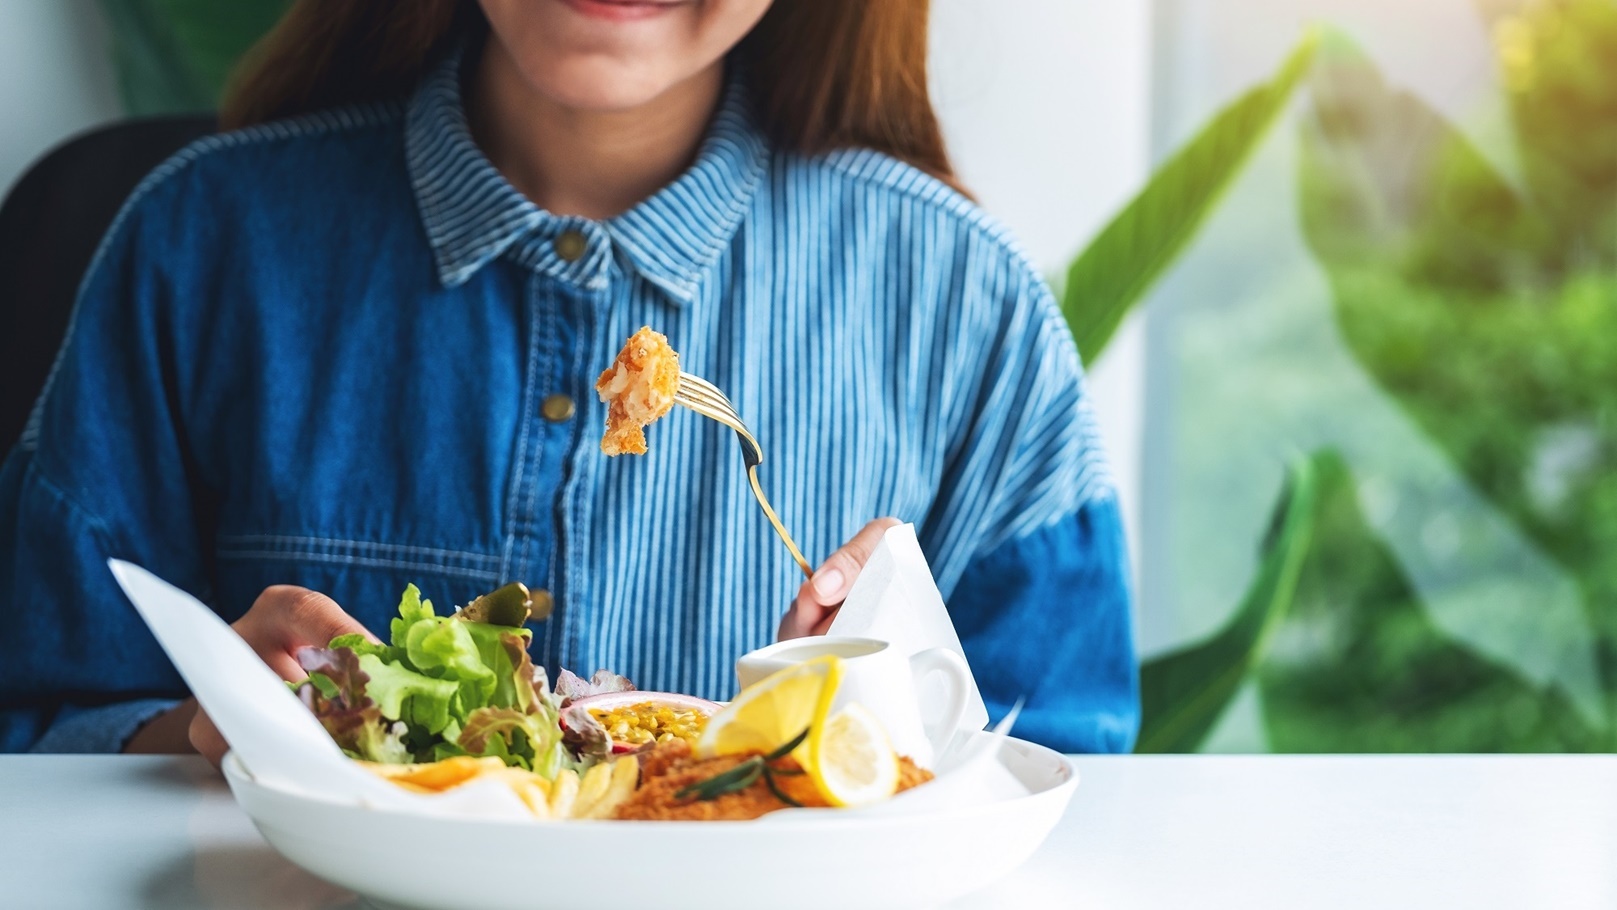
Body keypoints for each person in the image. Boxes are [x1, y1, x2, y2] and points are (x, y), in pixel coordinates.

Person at [0, 0, 1137, 760]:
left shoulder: (970, 311)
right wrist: (203, 732)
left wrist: (892, 713)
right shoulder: (200, 251)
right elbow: (37, 726)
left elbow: (1068, 786)